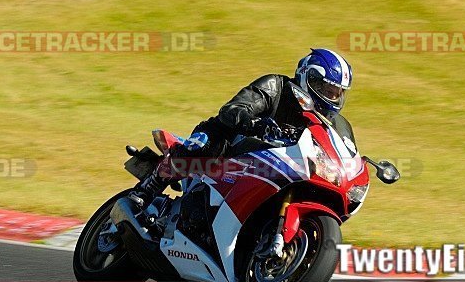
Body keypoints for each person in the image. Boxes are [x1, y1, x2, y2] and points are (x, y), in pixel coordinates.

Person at [141, 48, 355, 195]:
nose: (332, 97)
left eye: (337, 93)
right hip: (234, 150)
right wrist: (256, 124)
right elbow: (232, 110)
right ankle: (149, 188)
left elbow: (343, 153)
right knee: (208, 144)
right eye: (328, 90)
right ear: (310, 80)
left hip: (280, 169)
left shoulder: (335, 124)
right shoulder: (276, 87)